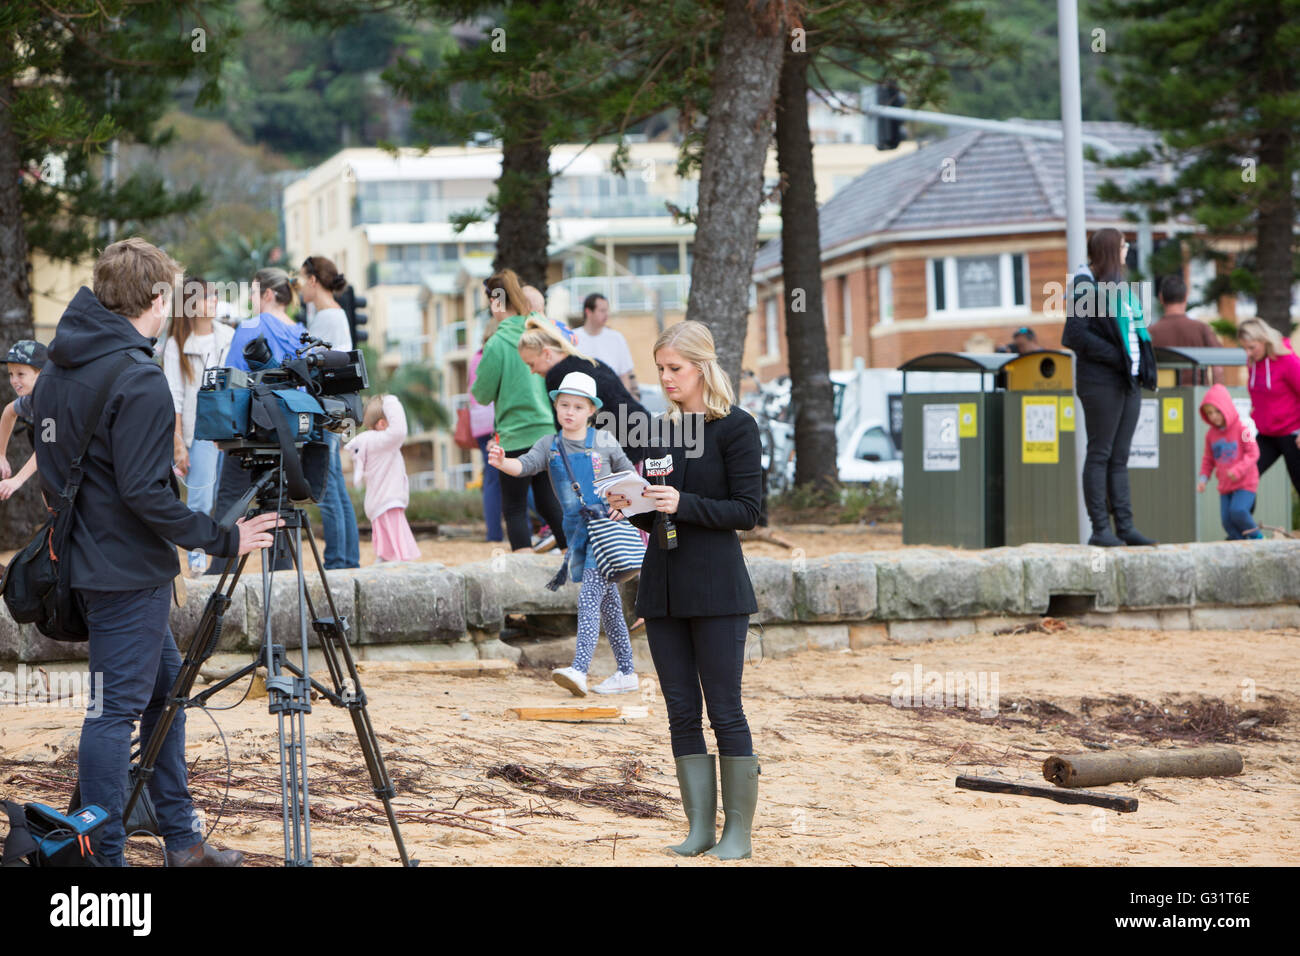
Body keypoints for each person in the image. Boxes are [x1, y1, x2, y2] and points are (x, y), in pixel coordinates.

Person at [32, 237, 281, 867]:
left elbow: (58, 454)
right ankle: (102, 856)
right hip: (125, 573)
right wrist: (225, 537)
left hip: (89, 563)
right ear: (158, 297)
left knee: (165, 693)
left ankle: (181, 840)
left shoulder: (63, 365)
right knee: (113, 713)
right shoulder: (138, 378)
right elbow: (147, 494)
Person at [604, 320, 762, 861]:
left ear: (702, 366)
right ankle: (699, 828)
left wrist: (681, 504)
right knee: (679, 711)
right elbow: (660, 518)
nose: (666, 379)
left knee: (725, 709)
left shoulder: (737, 428)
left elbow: (748, 511)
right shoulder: (660, 433)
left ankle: (736, 834)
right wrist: (635, 510)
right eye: (661, 370)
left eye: (675, 368)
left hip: (718, 591)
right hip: (664, 590)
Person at [489, 371, 638, 696]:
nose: (569, 412)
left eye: (578, 406)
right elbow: (524, 466)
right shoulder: (549, 445)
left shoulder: (604, 441)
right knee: (609, 604)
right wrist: (502, 463)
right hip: (579, 537)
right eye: (564, 405)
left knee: (588, 599)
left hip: (607, 533)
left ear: (591, 411)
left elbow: (630, 477)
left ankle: (580, 670)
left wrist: (624, 506)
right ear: (556, 407)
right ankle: (626, 671)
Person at [1062, 227, 1158, 547]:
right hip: (1100, 381)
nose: (1127, 249)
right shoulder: (1084, 285)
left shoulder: (1119, 289)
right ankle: (1100, 530)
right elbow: (1073, 336)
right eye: (1122, 245)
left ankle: (1125, 527)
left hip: (1127, 381)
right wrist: (1116, 356)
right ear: (1108, 251)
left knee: (1119, 457)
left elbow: (1133, 333)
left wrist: (1141, 365)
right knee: (1100, 454)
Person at [208, 268, 307, 571]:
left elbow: (232, 379)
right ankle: (282, 571)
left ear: (266, 294)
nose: (251, 300)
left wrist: (221, 430)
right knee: (279, 502)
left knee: (230, 496)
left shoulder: (250, 328)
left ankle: (221, 567)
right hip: (289, 434)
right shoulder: (303, 332)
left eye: (252, 293)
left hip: (251, 433)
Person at [469, 268, 568, 554]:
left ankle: (524, 573)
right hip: (548, 429)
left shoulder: (497, 343)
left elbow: (482, 394)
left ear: (496, 302)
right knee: (550, 503)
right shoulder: (542, 329)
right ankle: (571, 563)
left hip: (513, 436)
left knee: (513, 507)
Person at [517, 314, 651, 464]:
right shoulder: (589, 361)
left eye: (531, 364)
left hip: (623, 447)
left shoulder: (557, 375)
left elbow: (568, 427)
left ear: (547, 354)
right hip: (644, 433)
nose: (532, 371)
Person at [297, 256, 361, 570]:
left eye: (301, 278)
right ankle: (348, 559)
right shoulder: (336, 314)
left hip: (323, 408)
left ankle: (338, 560)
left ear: (312, 280)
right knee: (336, 484)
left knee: (328, 485)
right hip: (336, 407)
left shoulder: (326, 318)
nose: (298, 285)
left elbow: (309, 364)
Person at [162, 276, 234, 550]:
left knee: (218, 497)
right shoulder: (175, 345)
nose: (214, 300)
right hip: (198, 432)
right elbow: (174, 398)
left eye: (215, 295)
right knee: (200, 500)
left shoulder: (228, 336)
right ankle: (197, 558)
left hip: (228, 428)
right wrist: (178, 443)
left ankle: (212, 556)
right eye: (207, 296)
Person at [345, 394, 420, 563]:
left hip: (380, 503)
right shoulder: (381, 441)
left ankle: (384, 565)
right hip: (387, 502)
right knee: (398, 551)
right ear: (381, 424)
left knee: (387, 548)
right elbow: (399, 431)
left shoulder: (371, 441)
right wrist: (391, 401)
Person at [1236, 317, 1300, 499]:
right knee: (1247, 473)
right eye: (1244, 348)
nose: (1248, 353)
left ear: (1264, 340)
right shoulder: (1253, 363)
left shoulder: (1287, 361)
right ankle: (1245, 524)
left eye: (1252, 347)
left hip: (1292, 433)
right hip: (1267, 434)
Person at [1197, 384, 1263, 540]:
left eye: (1217, 411)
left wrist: (1238, 470)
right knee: (1227, 521)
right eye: (1210, 413)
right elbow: (1208, 459)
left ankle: (1258, 538)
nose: (1213, 416)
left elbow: (1254, 452)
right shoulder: (1211, 435)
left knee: (1238, 511)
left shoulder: (1242, 428)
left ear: (1226, 407)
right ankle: (1239, 545)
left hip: (1245, 483)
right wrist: (1203, 479)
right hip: (1226, 485)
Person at [1148, 274, 1222, 385]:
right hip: (1197, 396)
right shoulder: (1202, 329)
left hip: (1163, 397)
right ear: (1186, 297)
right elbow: (1218, 368)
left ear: (1161, 298)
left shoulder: (1150, 332)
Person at [0, 340, 47, 500]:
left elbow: (47, 446)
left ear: (40, 373)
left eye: (21, 374)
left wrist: (16, 481)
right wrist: (1, 455)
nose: (13, 381)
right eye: (11, 374)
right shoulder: (30, 399)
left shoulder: (51, 400)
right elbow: (8, 412)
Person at [468, 341, 503, 542]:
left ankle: (494, 533)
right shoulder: (494, 356)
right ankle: (544, 522)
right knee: (514, 475)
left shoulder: (475, 357)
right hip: (495, 420)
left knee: (491, 479)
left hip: (479, 423)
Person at [573, 293, 639, 399]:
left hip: (612, 399)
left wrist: (624, 402)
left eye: (607, 310)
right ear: (588, 312)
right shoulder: (572, 337)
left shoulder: (617, 338)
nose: (606, 314)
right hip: (582, 399)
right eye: (602, 311)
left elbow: (625, 374)